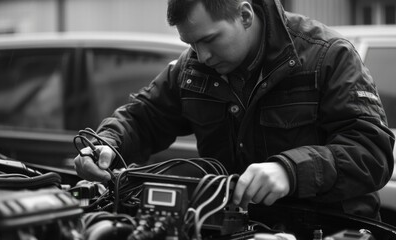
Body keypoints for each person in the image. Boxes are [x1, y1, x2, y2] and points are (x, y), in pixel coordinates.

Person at [74, 0, 394, 220]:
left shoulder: (329, 57)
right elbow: (144, 116)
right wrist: (107, 143)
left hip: (330, 228)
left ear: (244, 15)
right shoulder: (192, 68)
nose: (201, 56)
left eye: (209, 40)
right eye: (191, 44)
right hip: (235, 227)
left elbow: (372, 152)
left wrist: (291, 171)